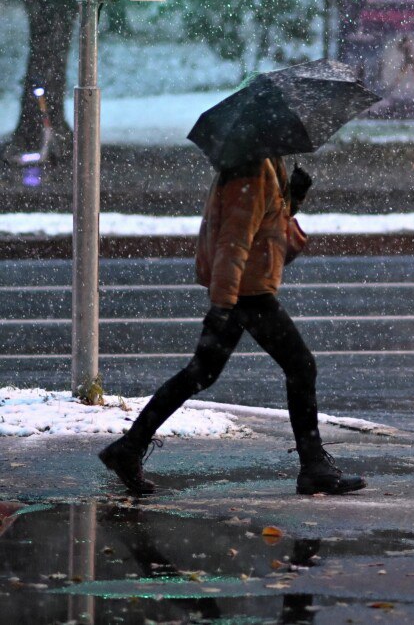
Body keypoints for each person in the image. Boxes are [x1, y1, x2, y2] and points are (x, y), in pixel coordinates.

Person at [99, 157, 366, 497]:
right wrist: (222, 306)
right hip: (247, 293)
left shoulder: (266, 166)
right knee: (301, 366)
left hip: (246, 289)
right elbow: (233, 243)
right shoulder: (252, 171)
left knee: (200, 374)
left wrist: (293, 199)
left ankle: (129, 448)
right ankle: (313, 467)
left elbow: (265, 229)